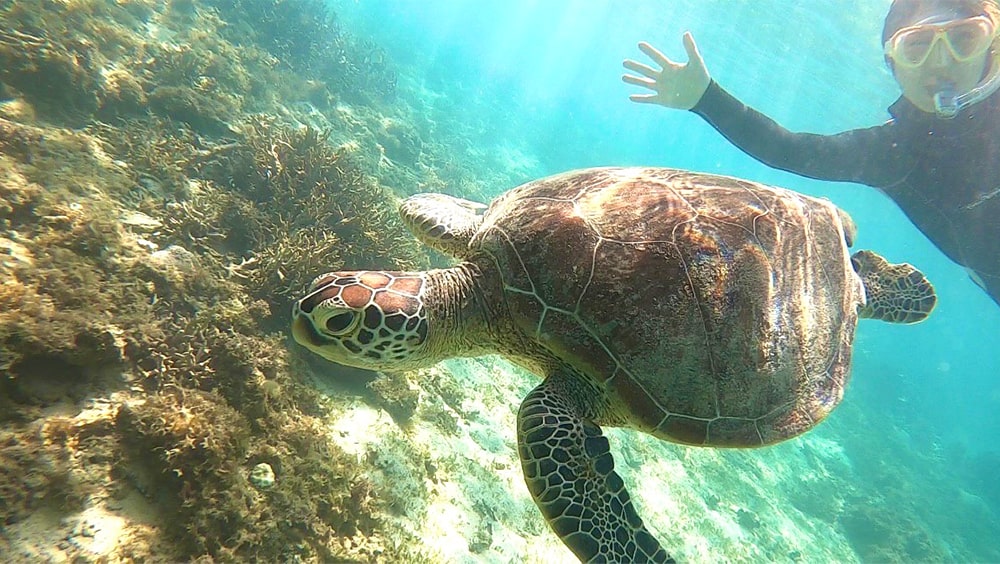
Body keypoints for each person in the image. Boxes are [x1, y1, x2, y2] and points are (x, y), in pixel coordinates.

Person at [623, 0, 1000, 309]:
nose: (941, 60)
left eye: (964, 39)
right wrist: (704, 98)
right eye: (916, 46)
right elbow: (788, 149)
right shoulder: (892, 154)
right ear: (893, 64)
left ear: (992, 46)